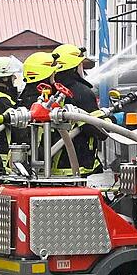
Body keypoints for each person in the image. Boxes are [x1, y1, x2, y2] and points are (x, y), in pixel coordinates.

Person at [51, 44, 105, 176]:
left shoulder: (51, 89)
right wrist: (110, 119)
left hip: (54, 165)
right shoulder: (82, 92)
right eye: (81, 64)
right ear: (75, 67)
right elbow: (99, 130)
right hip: (78, 165)